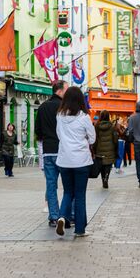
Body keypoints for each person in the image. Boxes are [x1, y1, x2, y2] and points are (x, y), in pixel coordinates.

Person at [55, 86, 95, 238]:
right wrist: (83, 140)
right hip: (81, 161)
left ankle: (61, 217)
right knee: (80, 195)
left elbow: (59, 135)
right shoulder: (84, 118)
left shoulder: (59, 116)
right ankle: (80, 230)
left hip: (64, 160)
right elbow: (93, 138)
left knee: (67, 192)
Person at [35, 80, 66, 226]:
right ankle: (67, 215)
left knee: (51, 184)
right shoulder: (64, 107)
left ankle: (54, 216)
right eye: (66, 89)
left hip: (48, 151)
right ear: (59, 91)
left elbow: (38, 131)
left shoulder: (42, 107)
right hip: (63, 151)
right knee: (68, 184)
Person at [92, 111, 119, 189]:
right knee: (108, 165)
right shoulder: (112, 126)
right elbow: (115, 139)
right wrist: (115, 148)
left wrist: (94, 149)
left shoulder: (97, 126)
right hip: (110, 150)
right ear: (108, 117)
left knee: (101, 165)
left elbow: (95, 139)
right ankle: (106, 178)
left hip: (99, 150)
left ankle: (103, 179)